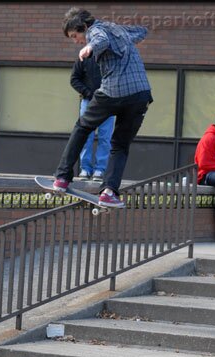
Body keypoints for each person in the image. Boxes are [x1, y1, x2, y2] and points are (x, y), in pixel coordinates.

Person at [53, 7, 153, 208]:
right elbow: (140, 31)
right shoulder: (118, 29)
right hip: (140, 95)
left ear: (83, 27)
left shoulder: (94, 31)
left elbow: (100, 39)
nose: (76, 41)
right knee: (120, 145)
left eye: (75, 36)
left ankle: (62, 177)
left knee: (82, 127)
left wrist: (89, 48)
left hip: (113, 91)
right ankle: (108, 191)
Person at [70, 56, 115, 182]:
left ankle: (100, 170)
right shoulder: (83, 57)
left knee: (105, 137)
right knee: (85, 136)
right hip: (88, 101)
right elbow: (74, 79)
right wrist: (88, 93)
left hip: (108, 101)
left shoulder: (111, 57)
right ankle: (85, 169)